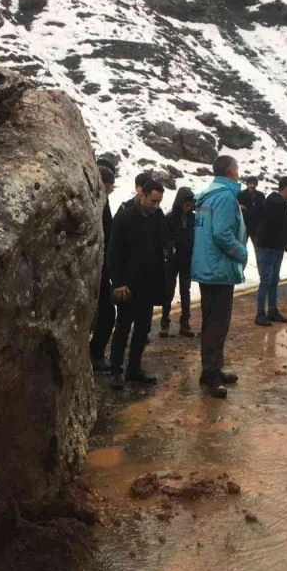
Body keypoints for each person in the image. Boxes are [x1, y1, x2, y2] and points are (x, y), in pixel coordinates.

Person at [191, 155, 248, 399]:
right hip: (219, 269)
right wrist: (242, 252)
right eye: (237, 167)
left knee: (211, 320)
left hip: (208, 267)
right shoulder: (225, 196)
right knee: (218, 322)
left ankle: (212, 368)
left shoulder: (209, 195)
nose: (239, 171)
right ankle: (211, 374)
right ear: (231, 171)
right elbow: (222, 234)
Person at [107, 178, 167, 389]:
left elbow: (160, 248)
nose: (156, 205)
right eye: (153, 201)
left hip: (148, 285)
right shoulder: (124, 217)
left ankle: (134, 369)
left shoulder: (158, 217)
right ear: (142, 195)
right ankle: (116, 371)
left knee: (143, 330)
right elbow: (113, 253)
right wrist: (118, 282)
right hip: (128, 286)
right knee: (123, 328)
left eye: (159, 202)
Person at [253, 176, 287, 325]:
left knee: (273, 280)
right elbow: (277, 225)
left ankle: (272, 310)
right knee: (267, 280)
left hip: (274, 246)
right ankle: (260, 313)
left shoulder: (274, 202)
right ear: (286, 189)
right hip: (269, 247)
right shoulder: (276, 203)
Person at [89, 164, 116, 372]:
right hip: (95, 269)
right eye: (109, 184)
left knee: (105, 313)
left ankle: (94, 353)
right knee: (106, 314)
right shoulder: (95, 202)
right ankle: (95, 354)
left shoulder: (101, 201)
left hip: (102, 268)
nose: (112, 188)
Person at [160, 187, 195, 338]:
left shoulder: (194, 218)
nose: (188, 206)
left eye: (190, 203)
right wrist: (170, 248)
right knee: (168, 291)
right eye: (186, 203)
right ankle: (164, 323)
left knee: (185, 292)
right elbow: (164, 238)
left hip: (187, 259)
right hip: (173, 260)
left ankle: (185, 324)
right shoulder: (170, 217)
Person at [238, 176, 266, 244]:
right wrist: (239, 206)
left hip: (256, 227)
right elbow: (235, 208)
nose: (252, 185)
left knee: (258, 249)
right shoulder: (241, 195)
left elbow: (264, 210)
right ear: (247, 184)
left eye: (254, 184)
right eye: (250, 183)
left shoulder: (261, 195)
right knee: (241, 247)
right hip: (244, 226)